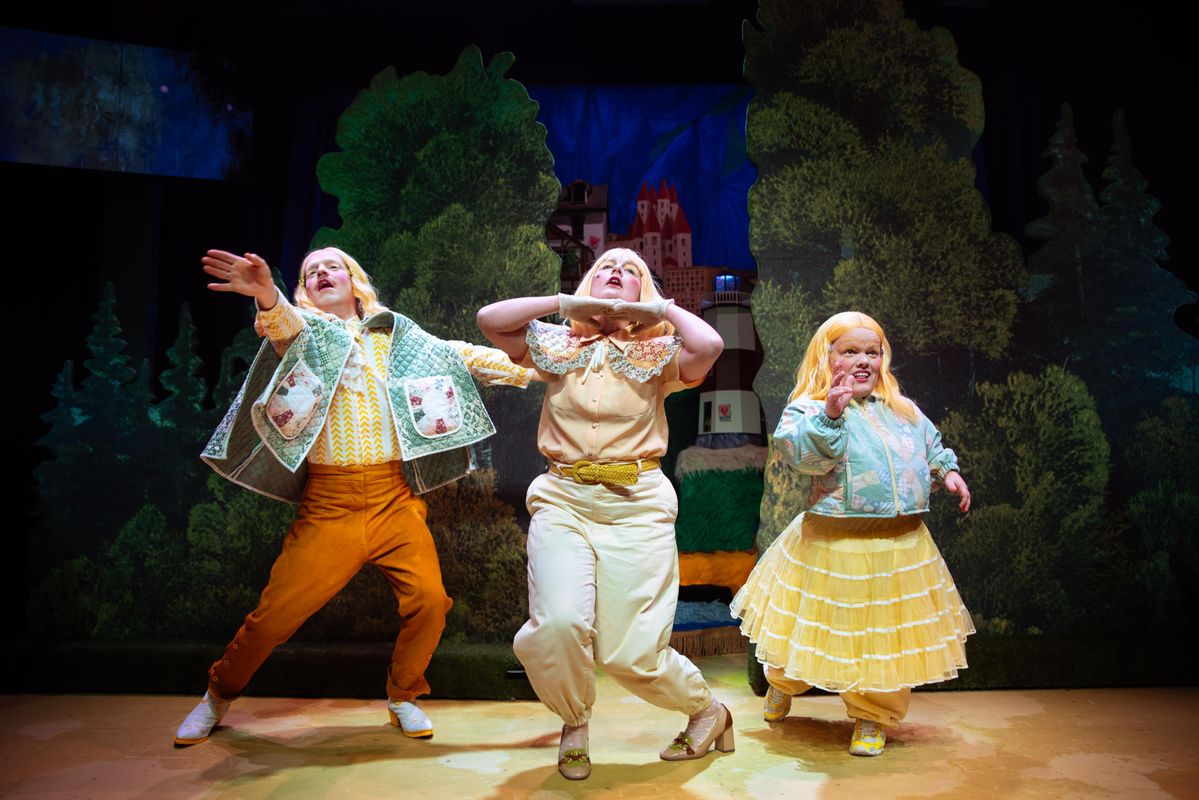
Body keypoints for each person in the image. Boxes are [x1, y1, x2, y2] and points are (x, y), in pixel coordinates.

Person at [173, 246, 531, 746]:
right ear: (303, 290)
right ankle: (217, 694)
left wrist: (540, 367)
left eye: (332, 266)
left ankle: (403, 695)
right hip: (330, 504)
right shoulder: (305, 332)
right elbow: (280, 322)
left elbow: (460, 354)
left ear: (354, 280)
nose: (322, 273)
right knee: (273, 618)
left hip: (392, 499)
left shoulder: (396, 334)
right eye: (310, 272)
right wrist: (266, 294)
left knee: (430, 602)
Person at [475, 248, 732, 781]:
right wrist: (565, 303)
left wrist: (657, 310)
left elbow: (709, 346)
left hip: (636, 504)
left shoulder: (657, 351)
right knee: (559, 624)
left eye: (631, 271)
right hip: (563, 498)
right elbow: (490, 320)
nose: (617, 272)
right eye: (606, 268)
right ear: (588, 284)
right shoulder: (556, 344)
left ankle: (708, 710)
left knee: (630, 655)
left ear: (644, 292)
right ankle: (574, 722)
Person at [731, 311, 973, 757]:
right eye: (850, 351)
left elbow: (931, 445)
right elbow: (804, 457)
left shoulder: (902, 409)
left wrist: (947, 472)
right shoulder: (809, 409)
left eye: (872, 352)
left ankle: (872, 716)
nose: (864, 361)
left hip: (900, 543)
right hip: (836, 542)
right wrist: (831, 414)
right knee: (814, 632)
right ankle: (782, 683)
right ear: (827, 357)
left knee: (885, 641)